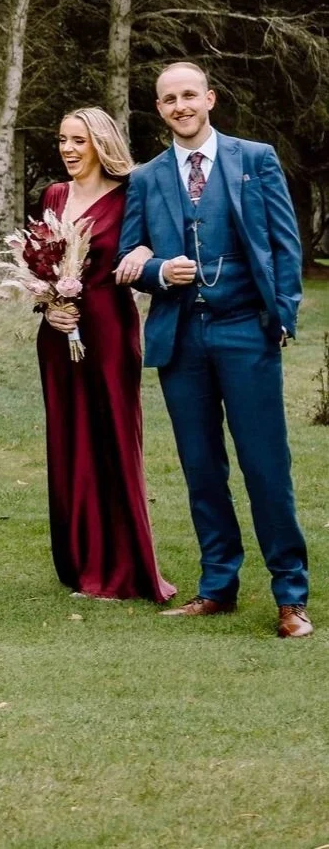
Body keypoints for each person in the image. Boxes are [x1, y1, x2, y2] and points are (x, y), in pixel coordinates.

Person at [115, 62, 309, 638]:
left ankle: (290, 595)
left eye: (189, 95)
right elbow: (129, 257)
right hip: (181, 341)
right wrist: (157, 269)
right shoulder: (147, 179)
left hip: (246, 330)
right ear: (159, 108)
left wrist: (283, 319)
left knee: (266, 466)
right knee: (203, 470)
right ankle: (218, 586)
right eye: (169, 98)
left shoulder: (254, 159)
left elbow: (284, 243)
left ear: (210, 99)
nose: (180, 105)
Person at [32, 107, 174, 602]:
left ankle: (122, 569)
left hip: (110, 330)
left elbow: (156, 247)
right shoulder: (54, 195)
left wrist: (143, 256)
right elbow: (37, 263)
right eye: (63, 140)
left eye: (79, 141)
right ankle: (80, 561)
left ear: (101, 144)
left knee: (112, 436)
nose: (69, 150)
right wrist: (48, 307)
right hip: (58, 331)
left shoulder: (133, 190)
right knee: (69, 440)